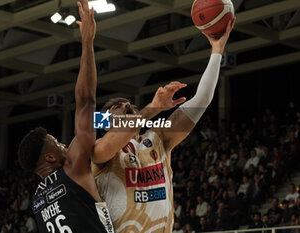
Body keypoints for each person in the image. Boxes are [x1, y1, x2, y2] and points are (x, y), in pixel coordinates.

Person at [92, 19, 236, 232]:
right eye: (117, 108)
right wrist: (154, 108)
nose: (125, 104)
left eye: (128, 104)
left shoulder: (158, 139)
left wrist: (217, 50)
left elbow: (202, 99)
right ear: (106, 124)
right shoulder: (100, 151)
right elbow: (110, 133)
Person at [17, 1, 114, 232]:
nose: (64, 146)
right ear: (49, 159)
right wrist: (88, 42)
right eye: (58, 144)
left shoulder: (38, 202)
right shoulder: (72, 169)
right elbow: (85, 103)